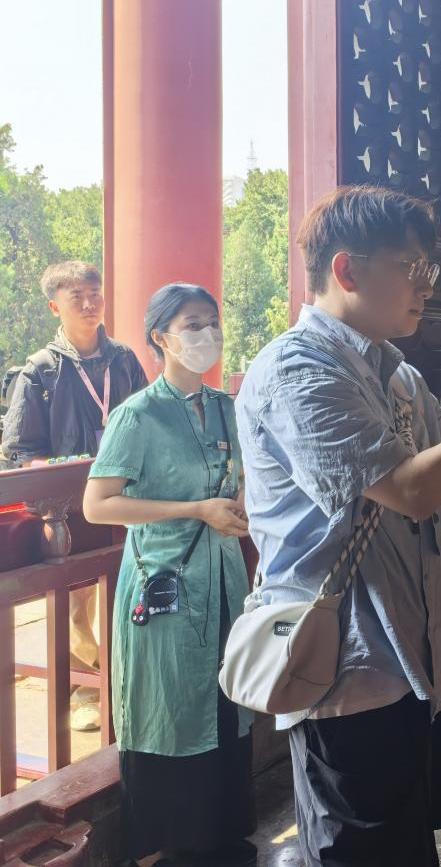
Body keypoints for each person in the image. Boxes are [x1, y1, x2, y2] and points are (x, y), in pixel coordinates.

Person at [235, 186, 441, 867]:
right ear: (347, 271)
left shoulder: (398, 375)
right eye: (410, 267)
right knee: (357, 846)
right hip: (343, 660)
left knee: (403, 843)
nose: (425, 285)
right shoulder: (296, 368)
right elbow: (415, 491)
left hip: (408, 653)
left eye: (429, 269)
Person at [82, 283, 255, 867]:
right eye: (191, 324)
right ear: (161, 338)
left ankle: (223, 834)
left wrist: (241, 507)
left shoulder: (229, 406)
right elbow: (97, 505)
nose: (206, 335)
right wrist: (193, 510)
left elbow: (242, 480)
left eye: (212, 322)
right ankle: (177, 846)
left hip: (226, 582)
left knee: (225, 703)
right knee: (172, 711)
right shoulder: (138, 415)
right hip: (166, 590)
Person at [3, 260, 148, 733]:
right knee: (78, 601)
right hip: (70, 504)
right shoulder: (39, 373)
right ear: (54, 307)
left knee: (128, 587)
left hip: (126, 493)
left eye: (94, 293)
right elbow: (21, 452)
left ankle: (122, 676)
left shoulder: (124, 359)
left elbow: (150, 420)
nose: (89, 304)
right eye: (75, 297)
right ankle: (86, 687)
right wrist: (61, 477)